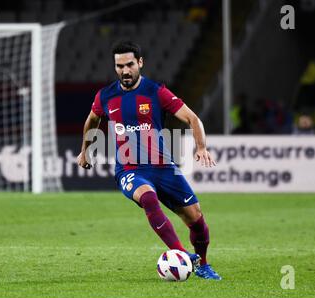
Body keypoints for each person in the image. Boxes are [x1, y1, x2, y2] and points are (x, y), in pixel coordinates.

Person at [77, 41, 221, 280]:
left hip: (163, 167)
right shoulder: (106, 96)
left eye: (130, 64)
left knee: (196, 219)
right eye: (119, 66)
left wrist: (202, 147)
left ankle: (203, 264)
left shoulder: (156, 91)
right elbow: (92, 121)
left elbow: (192, 118)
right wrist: (85, 151)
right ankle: (181, 254)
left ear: (140, 63)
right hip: (130, 169)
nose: (125, 71)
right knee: (147, 197)